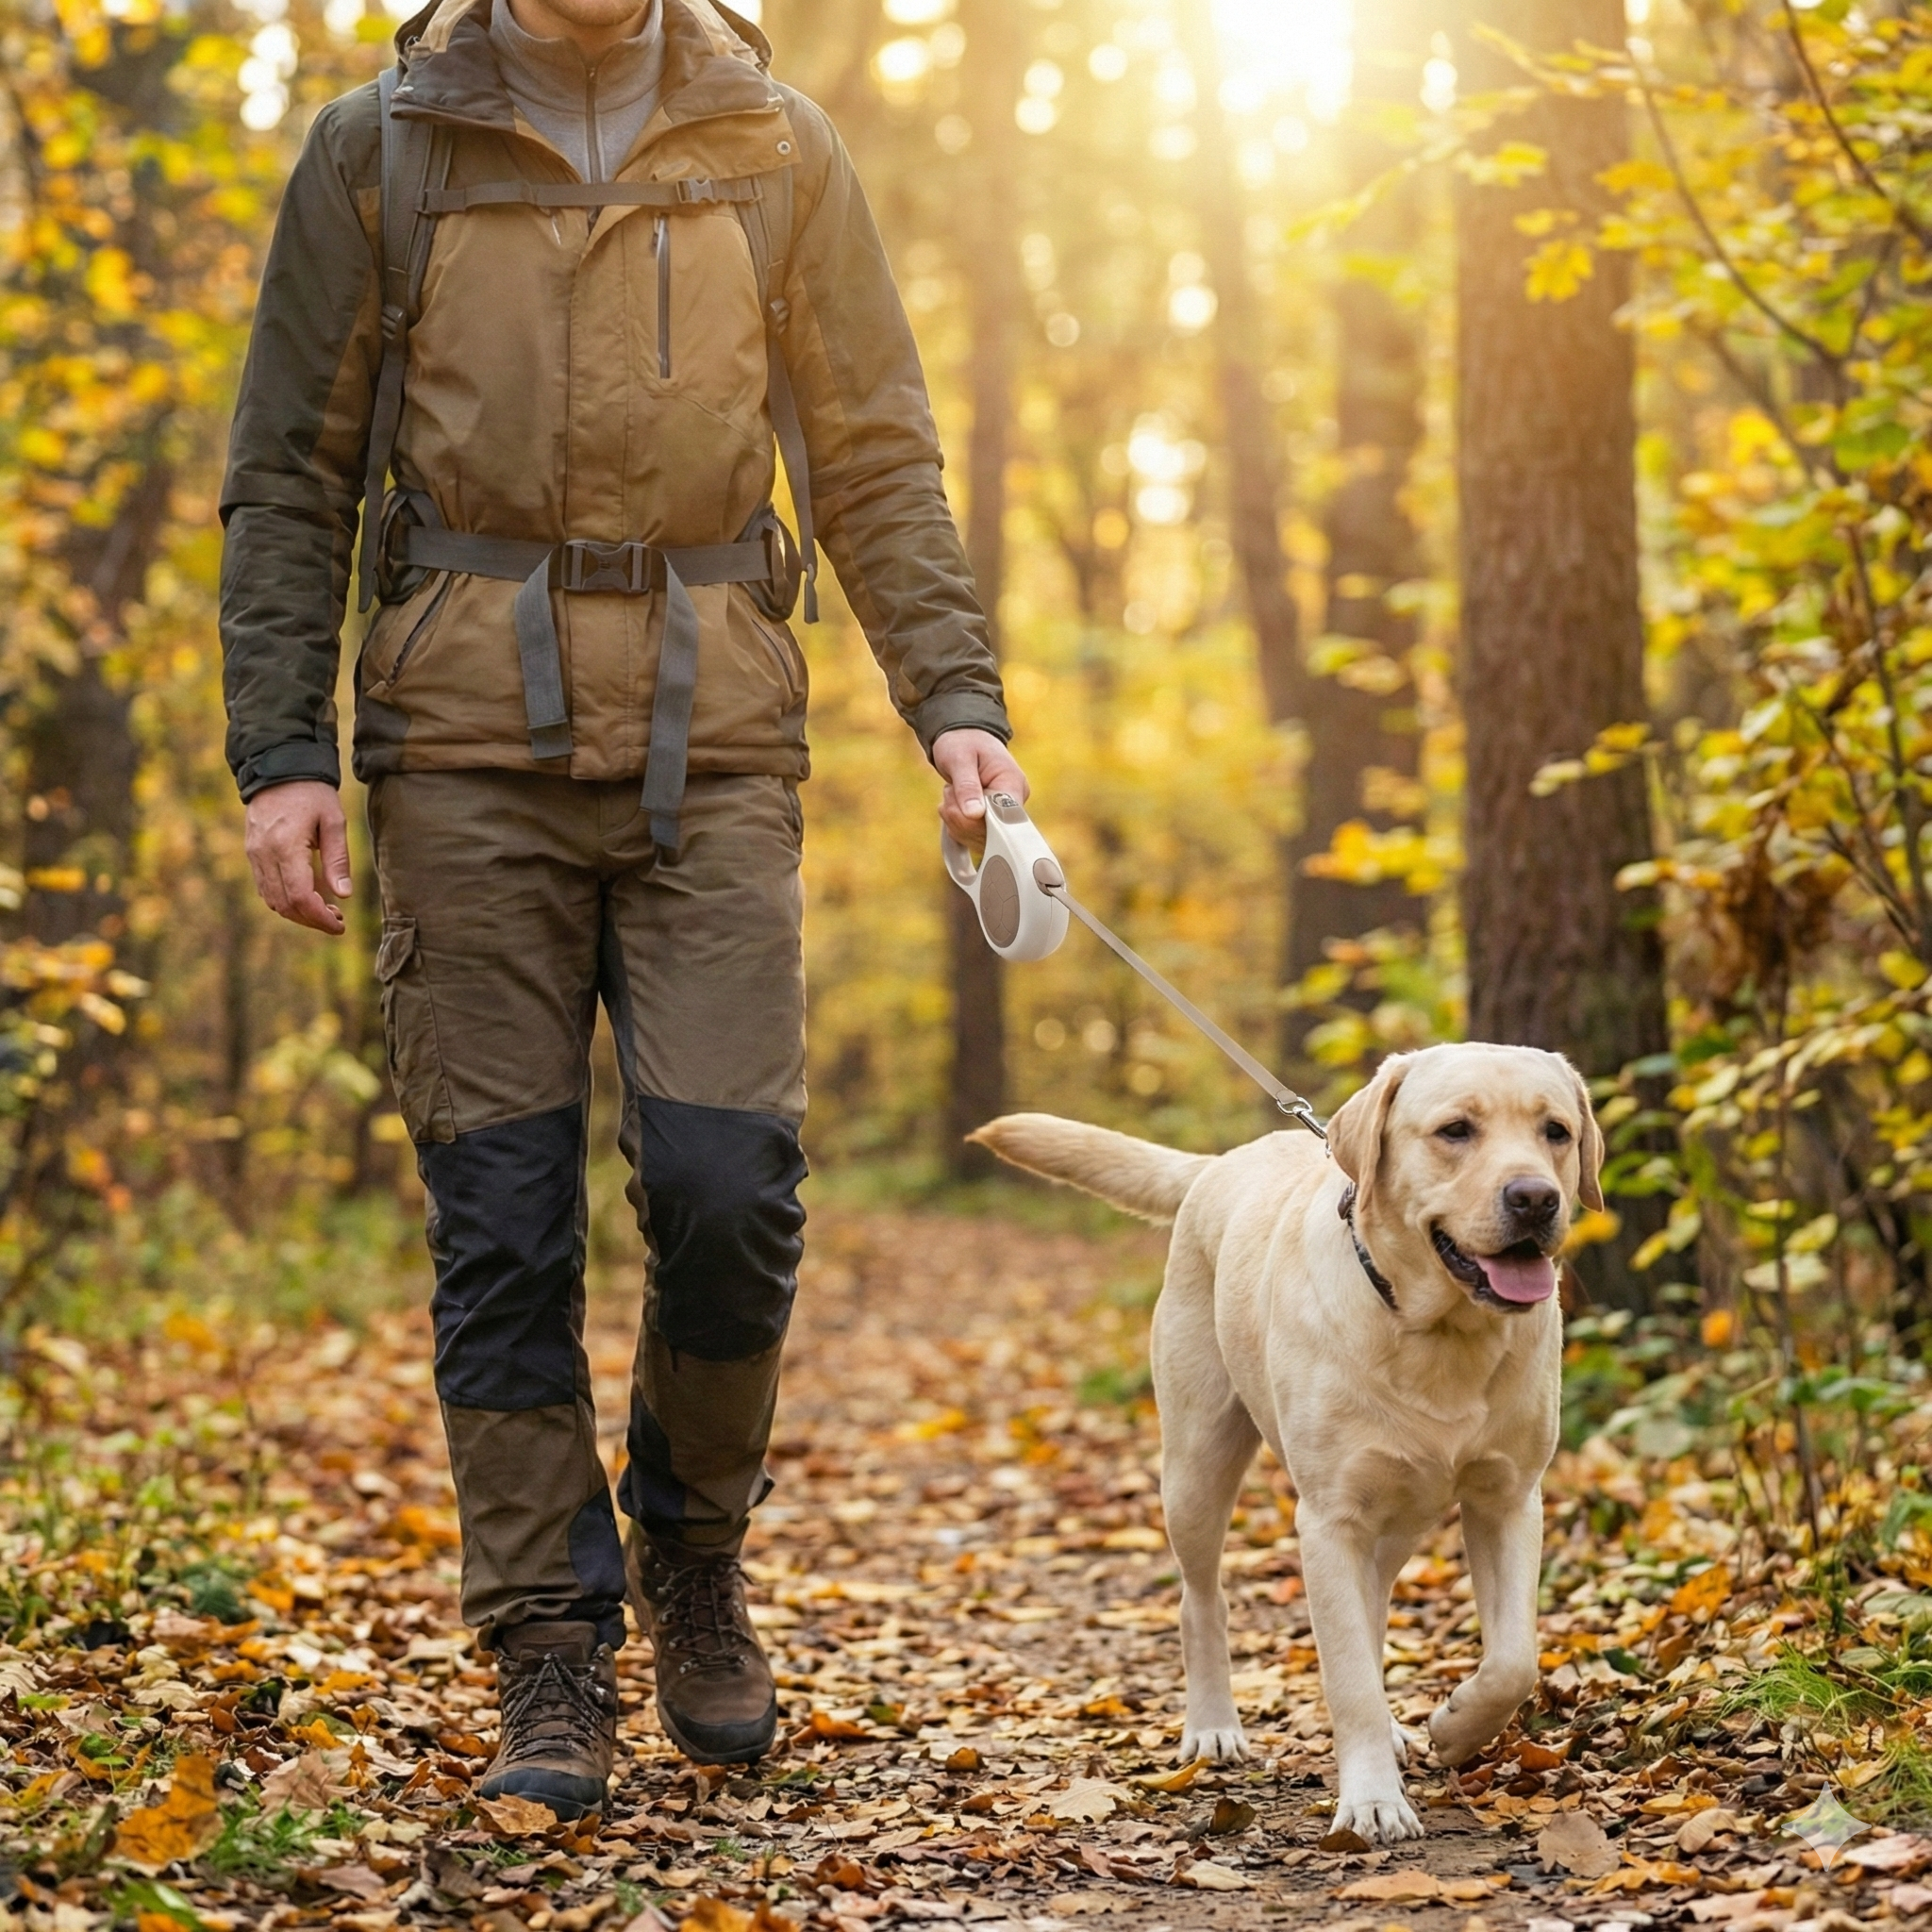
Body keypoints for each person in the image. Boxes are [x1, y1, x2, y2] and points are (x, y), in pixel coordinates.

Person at [219, 0, 1026, 1820]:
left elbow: (878, 455)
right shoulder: (383, 149)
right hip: (458, 754)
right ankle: (549, 1654)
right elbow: (286, 475)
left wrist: (954, 704)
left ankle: (691, 1554)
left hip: (718, 744)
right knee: (500, 1222)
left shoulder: (778, 148)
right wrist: (285, 753)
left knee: (730, 1189)